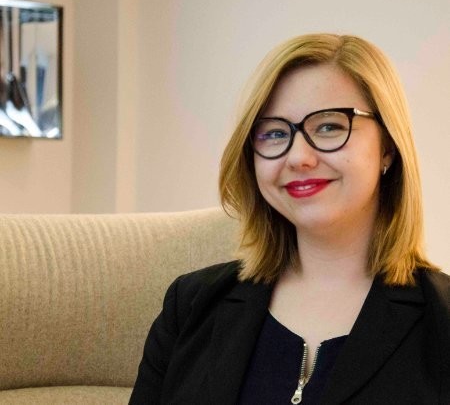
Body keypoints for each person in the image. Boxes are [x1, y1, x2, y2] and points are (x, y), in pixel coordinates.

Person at [129, 34, 450, 405]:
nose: (298, 158)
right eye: (275, 133)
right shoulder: (190, 306)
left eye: (329, 126)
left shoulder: (442, 323)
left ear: (388, 148)